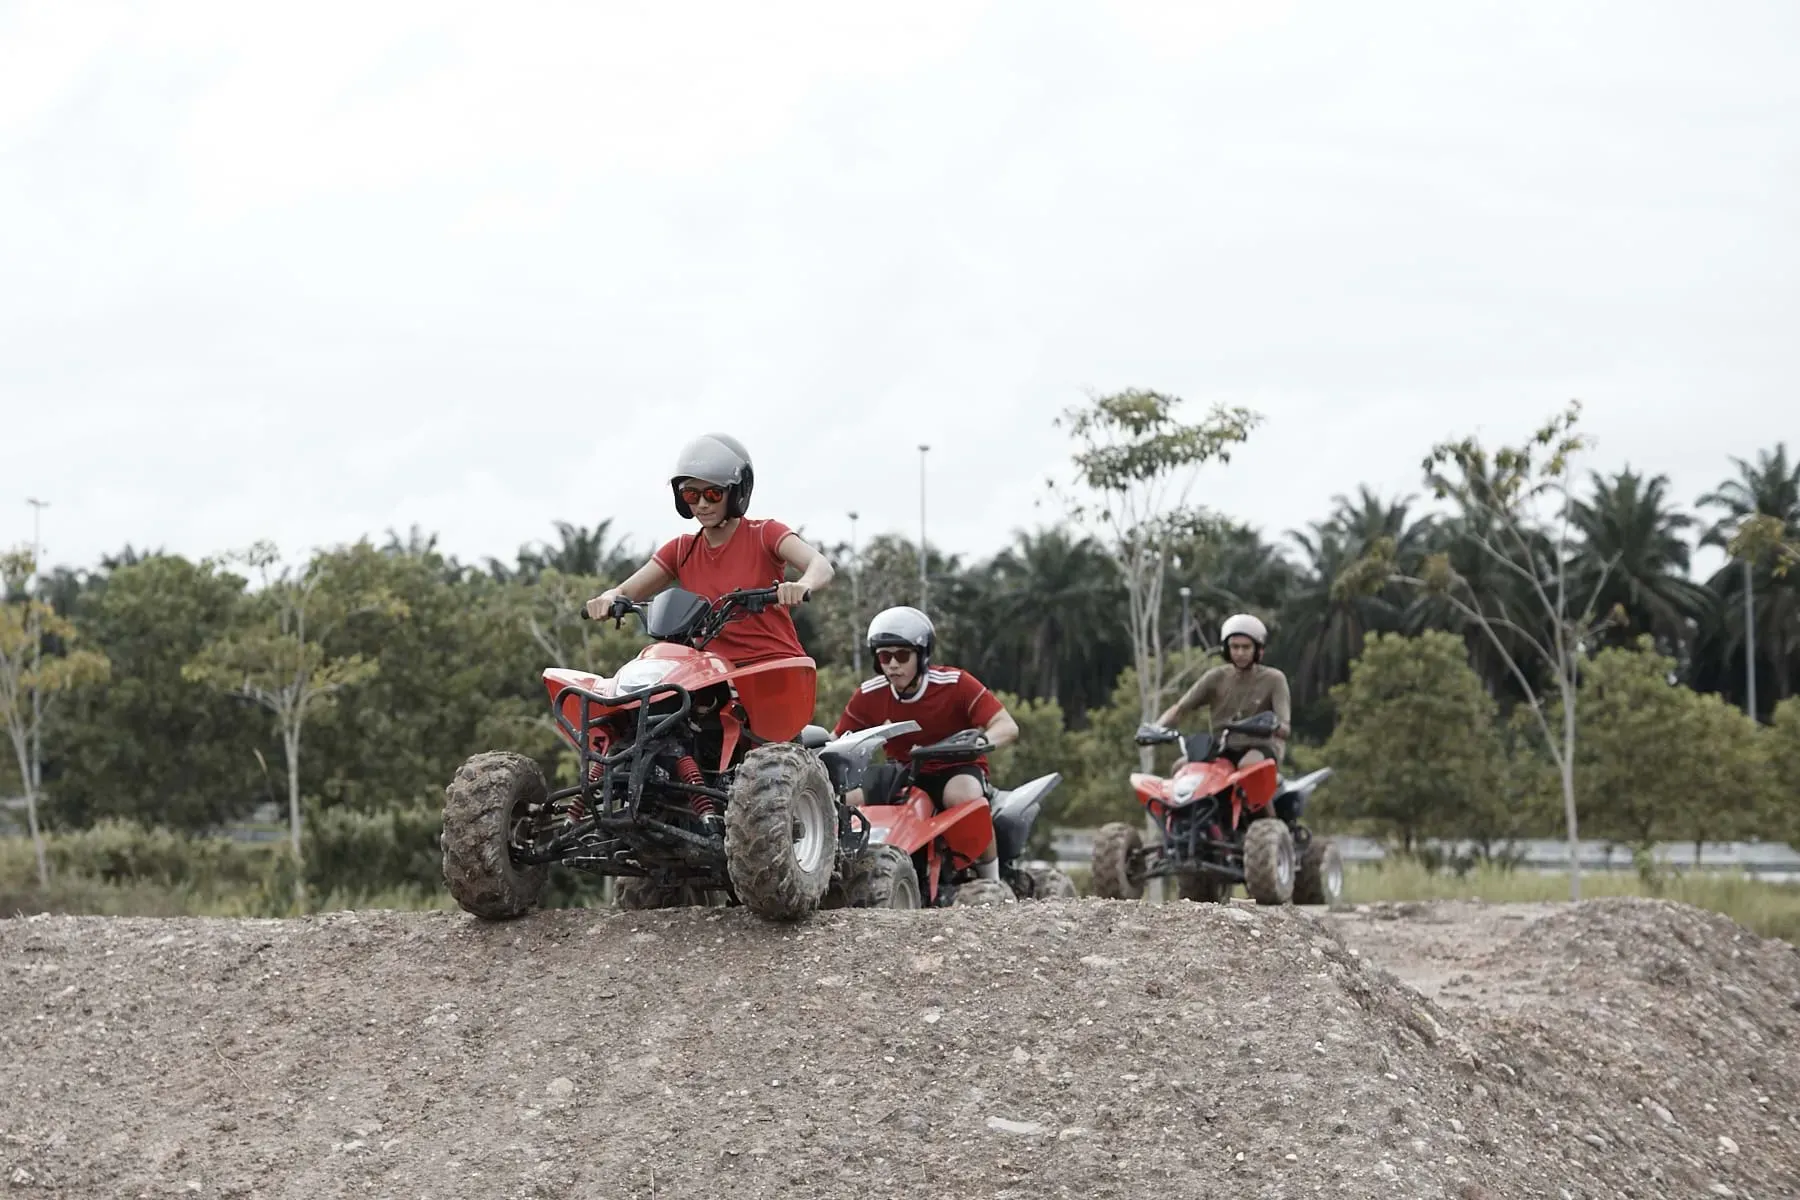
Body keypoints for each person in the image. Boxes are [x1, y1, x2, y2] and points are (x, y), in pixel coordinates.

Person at [584, 433, 834, 667]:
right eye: (692, 495)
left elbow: (820, 565)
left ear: (736, 492)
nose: (702, 505)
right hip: (711, 676)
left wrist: (803, 585)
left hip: (773, 667)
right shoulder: (681, 549)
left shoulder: (764, 534)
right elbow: (626, 590)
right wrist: (609, 598)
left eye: (713, 494)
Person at [833, 606, 1019, 882]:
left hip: (956, 768)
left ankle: (992, 882)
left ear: (922, 656)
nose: (893, 665)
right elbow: (838, 739)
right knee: (841, 801)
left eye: (902, 655)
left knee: (963, 796)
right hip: (903, 773)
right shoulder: (869, 694)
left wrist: (980, 742)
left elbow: (1007, 726)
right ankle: (839, 875)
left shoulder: (956, 684)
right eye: (885, 656)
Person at [1154, 613, 1291, 767]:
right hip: (1222, 747)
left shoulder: (1274, 679)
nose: (1240, 653)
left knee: (1247, 766)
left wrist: (1272, 726)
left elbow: (1285, 727)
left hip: (1261, 747)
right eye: (1235, 647)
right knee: (1181, 767)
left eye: (1246, 647)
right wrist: (1156, 728)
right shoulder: (1215, 677)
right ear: (1226, 649)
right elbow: (1179, 709)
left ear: (1258, 650)